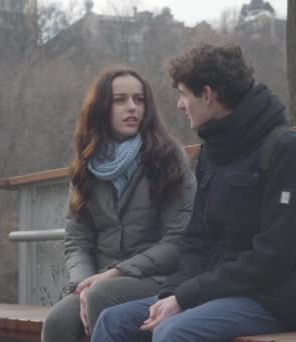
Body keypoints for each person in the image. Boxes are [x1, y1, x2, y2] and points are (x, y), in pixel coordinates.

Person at [90, 44, 296, 342]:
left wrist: (187, 296)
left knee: (173, 333)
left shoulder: (287, 151)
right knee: (113, 321)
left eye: (183, 94)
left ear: (207, 94)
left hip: (273, 299)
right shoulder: (213, 152)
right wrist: (172, 293)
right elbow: (195, 240)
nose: (179, 105)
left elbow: (273, 257)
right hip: (213, 293)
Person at [41, 65, 196, 342]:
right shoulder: (86, 165)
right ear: (101, 107)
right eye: (120, 100)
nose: (132, 107)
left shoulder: (168, 158)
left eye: (139, 99)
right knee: (58, 321)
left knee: (104, 296)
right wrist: (83, 286)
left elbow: (179, 239)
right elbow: (77, 241)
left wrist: (115, 273)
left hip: (158, 277)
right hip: (100, 280)